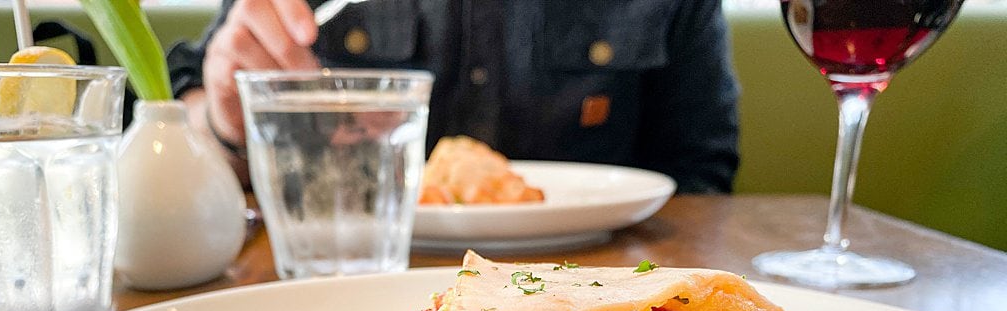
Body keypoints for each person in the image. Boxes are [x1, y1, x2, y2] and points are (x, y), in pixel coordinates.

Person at [168, 0, 740, 193]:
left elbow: (701, 170)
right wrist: (225, 124)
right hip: (339, 285)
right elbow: (192, 103)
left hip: (597, 287)